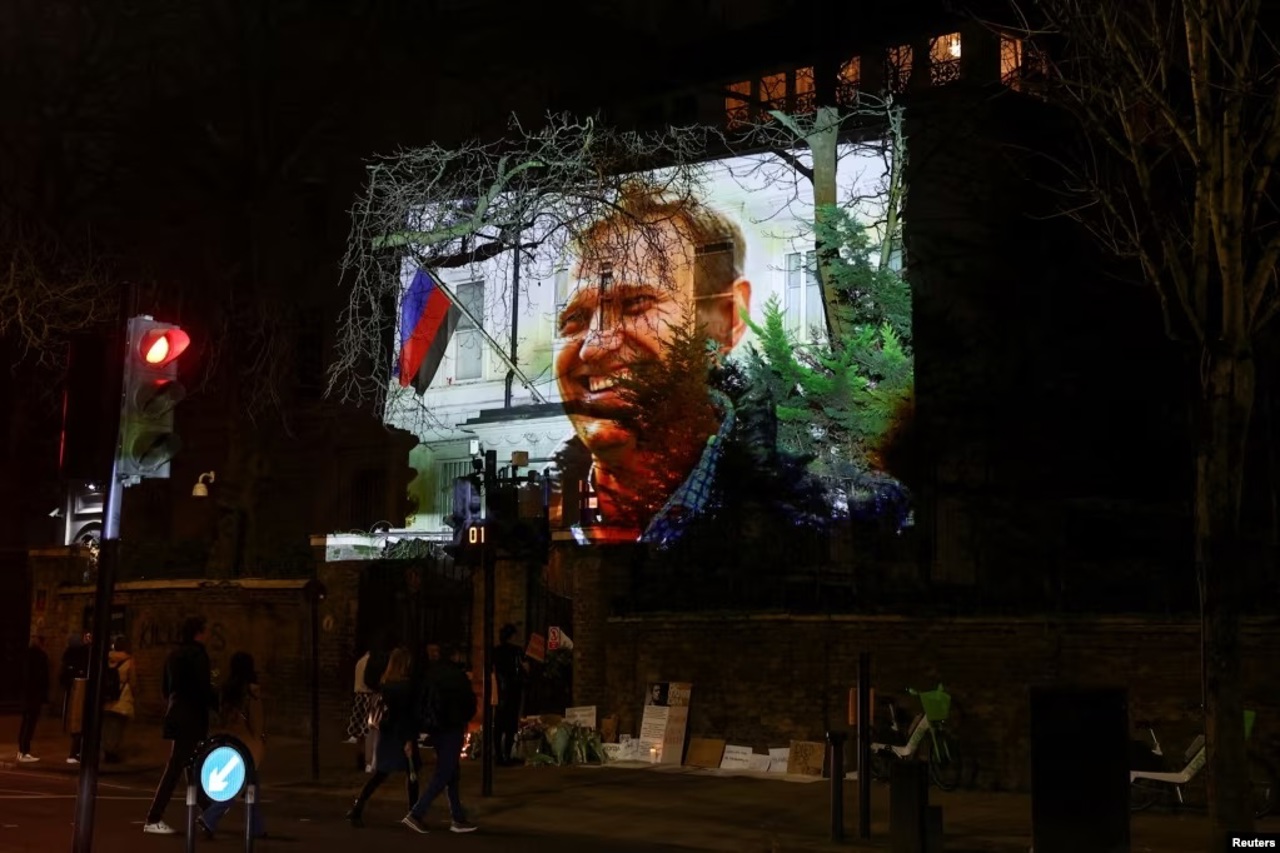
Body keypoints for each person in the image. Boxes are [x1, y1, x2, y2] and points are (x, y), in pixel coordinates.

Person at [552, 184, 752, 543]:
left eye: (636, 304)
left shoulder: (780, 506)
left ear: (725, 318)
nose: (592, 348)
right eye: (575, 318)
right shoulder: (546, 522)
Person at [142, 616, 217, 836]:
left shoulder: (173, 655)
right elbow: (204, 689)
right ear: (199, 632)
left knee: (191, 763)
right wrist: (217, 705)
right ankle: (154, 817)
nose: (209, 634)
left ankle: (209, 811)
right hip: (192, 715)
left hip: (176, 712)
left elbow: (166, 689)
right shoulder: (199, 655)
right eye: (206, 630)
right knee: (178, 765)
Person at [401, 644, 478, 835]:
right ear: (454, 655)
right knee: (445, 772)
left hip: (435, 727)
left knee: (451, 771)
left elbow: (419, 701)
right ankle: (417, 813)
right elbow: (469, 703)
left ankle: (457, 817)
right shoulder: (458, 676)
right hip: (452, 726)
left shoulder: (430, 673)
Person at [345, 647, 420, 828]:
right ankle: (414, 812)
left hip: (387, 735)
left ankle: (358, 807)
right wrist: (409, 739)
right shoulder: (406, 687)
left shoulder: (386, 685)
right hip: (402, 735)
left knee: (380, 774)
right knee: (412, 773)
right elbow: (406, 715)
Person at [197, 651, 266, 840]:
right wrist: (260, 737)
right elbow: (256, 722)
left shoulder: (226, 689)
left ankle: (257, 826)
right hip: (246, 743)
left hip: (226, 740)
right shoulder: (252, 692)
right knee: (241, 783)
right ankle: (210, 817)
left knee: (252, 784)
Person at [491, 624, 528, 765]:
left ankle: (499, 756)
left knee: (499, 724)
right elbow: (522, 669)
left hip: (500, 692)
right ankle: (506, 754)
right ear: (512, 636)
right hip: (512, 690)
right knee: (510, 724)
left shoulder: (496, 651)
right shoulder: (516, 651)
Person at [102, 635, 137, 764]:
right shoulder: (129, 661)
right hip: (122, 698)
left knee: (107, 727)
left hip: (106, 698)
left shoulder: (106, 658)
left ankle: (106, 750)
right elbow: (132, 681)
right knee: (117, 728)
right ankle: (112, 753)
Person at [16, 633, 50, 763]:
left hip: (26, 695)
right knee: (29, 724)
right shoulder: (40, 657)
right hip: (34, 695)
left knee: (26, 722)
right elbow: (43, 679)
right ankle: (24, 751)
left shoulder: (25, 656)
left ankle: (22, 750)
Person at [60, 631, 91, 763]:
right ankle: (74, 753)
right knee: (79, 722)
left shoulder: (71, 655)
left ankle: (76, 752)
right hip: (79, 689)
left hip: (74, 689)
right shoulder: (81, 654)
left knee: (77, 721)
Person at [347, 648, 374, 770]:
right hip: (367, 696)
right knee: (367, 731)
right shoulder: (370, 662)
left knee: (360, 733)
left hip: (358, 696)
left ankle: (360, 758)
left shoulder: (360, 661)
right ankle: (367, 759)